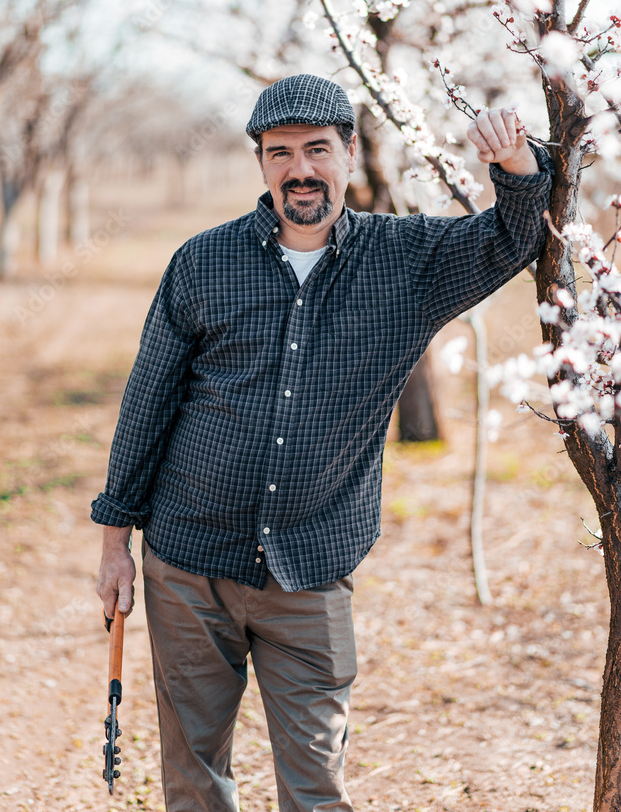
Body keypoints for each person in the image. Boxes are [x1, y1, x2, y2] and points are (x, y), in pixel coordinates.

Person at [92, 73, 552, 812]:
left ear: (348, 153)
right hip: (187, 566)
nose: (299, 169)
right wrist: (115, 539)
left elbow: (511, 238)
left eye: (316, 149)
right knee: (193, 779)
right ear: (262, 164)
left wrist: (517, 169)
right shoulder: (201, 263)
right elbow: (147, 403)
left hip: (310, 569)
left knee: (316, 785)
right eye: (280, 153)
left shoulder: (408, 260)